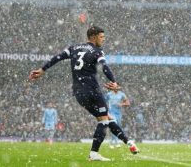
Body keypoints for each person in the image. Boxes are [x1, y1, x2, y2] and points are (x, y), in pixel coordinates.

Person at [28, 26, 139, 161]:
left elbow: (57, 58)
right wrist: (113, 81)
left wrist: (42, 69)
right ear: (93, 37)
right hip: (92, 90)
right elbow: (104, 66)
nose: (103, 39)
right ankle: (94, 153)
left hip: (78, 92)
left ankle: (129, 143)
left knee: (107, 118)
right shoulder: (97, 51)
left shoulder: (73, 48)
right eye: (101, 37)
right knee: (104, 121)